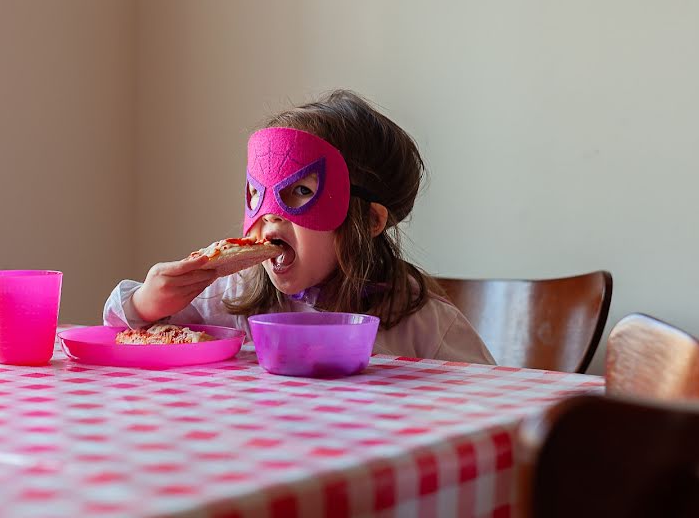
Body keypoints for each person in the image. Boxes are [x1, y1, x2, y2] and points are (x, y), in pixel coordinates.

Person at [104, 90, 495, 364]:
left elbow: (493, 402)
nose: (270, 215)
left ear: (372, 220)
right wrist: (146, 304)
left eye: (301, 191)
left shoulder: (421, 323)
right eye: (258, 195)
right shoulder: (227, 299)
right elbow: (124, 336)